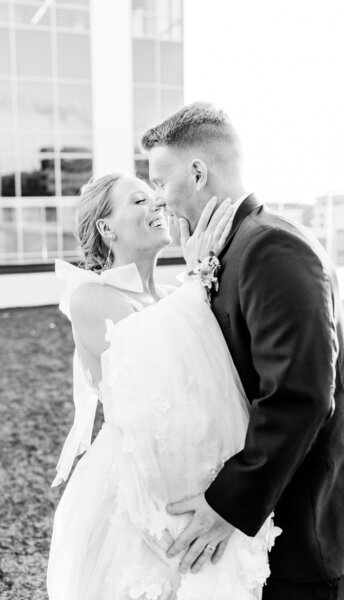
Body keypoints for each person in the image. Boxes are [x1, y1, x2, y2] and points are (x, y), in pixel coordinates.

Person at [141, 102, 344, 600]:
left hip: (300, 528)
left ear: (197, 172)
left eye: (161, 182)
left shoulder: (272, 248)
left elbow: (301, 395)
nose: (158, 199)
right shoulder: (228, 249)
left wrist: (229, 505)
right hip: (266, 532)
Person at [47, 173, 281, 600]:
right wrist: (199, 277)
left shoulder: (173, 295)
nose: (157, 205)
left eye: (156, 197)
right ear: (106, 228)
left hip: (198, 476)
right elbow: (151, 369)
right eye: (139, 200)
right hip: (141, 490)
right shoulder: (91, 298)